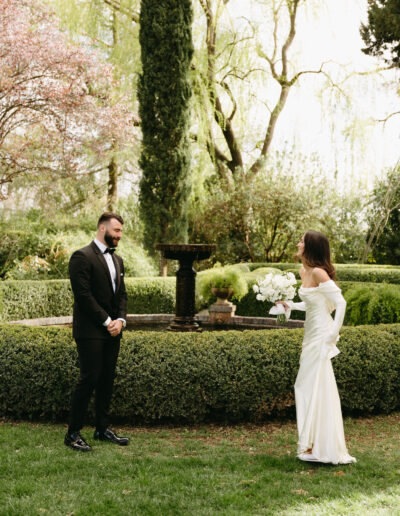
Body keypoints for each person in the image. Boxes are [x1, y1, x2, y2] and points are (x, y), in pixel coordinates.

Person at [276, 230, 356, 465]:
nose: (298, 243)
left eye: (302, 241)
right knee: (308, 387)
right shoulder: (304, 271)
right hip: (309, 336)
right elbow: (312, 303)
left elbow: (341, 303)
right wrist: (289, 304)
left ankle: (320, 446)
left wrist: (331, 336)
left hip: (321, 336)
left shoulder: (319, 272)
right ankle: (312, 444)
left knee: (309, 385)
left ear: (311, 247)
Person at [64, 212, 129, 452]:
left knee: (107, 379)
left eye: (121, 231)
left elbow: (122, 294)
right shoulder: (81, 257)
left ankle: (102, 428)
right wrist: (107, 321)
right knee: (89, 378)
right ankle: (72, 433)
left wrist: (120, 320)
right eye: (117, 231)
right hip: (91, 330)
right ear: (103, 229)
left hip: (114, 331)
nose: (120, 235)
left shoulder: (119, 260)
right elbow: (83, 296)